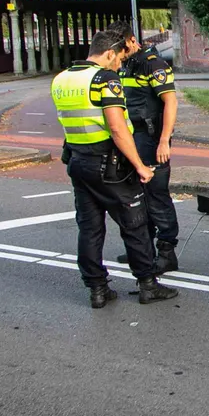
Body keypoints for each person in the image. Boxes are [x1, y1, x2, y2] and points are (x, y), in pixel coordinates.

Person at [51, 28, 180, 308]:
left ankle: (97, 289)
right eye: (118, 59)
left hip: (78, 161)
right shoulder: (104, 79)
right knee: (134, 223)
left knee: (89, 228)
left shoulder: (62, 79)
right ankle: (147, 284)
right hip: (109, 164)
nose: (120, 64)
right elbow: (117, 128)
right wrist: (139, 166)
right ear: (109, 54)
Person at [116, 23, 181, 272]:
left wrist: (164, 140)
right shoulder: (127, 64)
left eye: (122, 47)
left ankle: (167, 252)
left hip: (151, 139)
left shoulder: (154, 65)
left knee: (156, 196)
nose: (120, 53)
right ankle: (144, 249)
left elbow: (170, 102)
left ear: (132, 41)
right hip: (134, 138)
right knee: (137, 196)